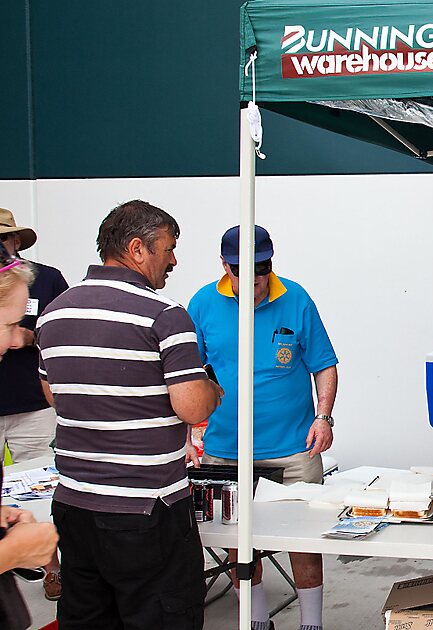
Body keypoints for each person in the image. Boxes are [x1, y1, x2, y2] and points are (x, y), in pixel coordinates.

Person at [37, 200, 221, 629]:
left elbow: (54, 396)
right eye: (168, 248)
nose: (173, 260)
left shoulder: (55, 311)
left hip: (74, 504)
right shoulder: (164, 314)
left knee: (89, 618)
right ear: (137, 249)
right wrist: (212, 389)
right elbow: (192, 407)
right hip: (146, 507)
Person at [189, 225, 338, 630]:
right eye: (242, 270)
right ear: (224, 266)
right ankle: (257, 622)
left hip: (293, 448)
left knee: (304, 541)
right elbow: (188, 375)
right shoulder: (202, 304)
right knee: (240, 545)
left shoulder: (296, 298)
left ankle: (312, 624)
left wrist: (323, 416)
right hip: (225, 448)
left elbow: (324, 364)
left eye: (262, 268)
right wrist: (190, 432)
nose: (253, 278)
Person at [0, 209, 68, 601]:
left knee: (43, 492)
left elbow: (62, 333)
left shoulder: (48, 279)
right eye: (6, 326)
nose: (13, 340)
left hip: (31, 406)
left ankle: (52, 568)